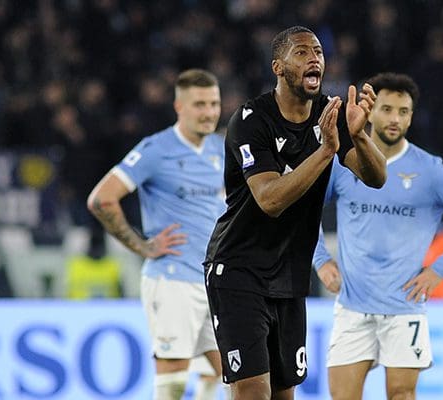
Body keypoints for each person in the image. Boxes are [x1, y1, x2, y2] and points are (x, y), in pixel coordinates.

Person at [203, 26, 387, 400]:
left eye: (318, 51)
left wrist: (360, 135)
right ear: (278, 66)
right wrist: (325, 151)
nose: (314, 58)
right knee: (253, 390)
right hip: (238, 268)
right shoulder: (251, 119)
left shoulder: (330, 114)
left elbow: (376, 177)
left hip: (288, 274)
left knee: (284, 394)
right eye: (301, 52)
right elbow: (269, 200)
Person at [313, 72, 443, 400]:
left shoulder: (431, 170)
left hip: (404, 309)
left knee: (401, 395)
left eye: (403, 111)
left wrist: (437, 271)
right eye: (386, 109)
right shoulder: (343, 164)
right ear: (370, 112)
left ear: (411, 117)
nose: (395, 119)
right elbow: (305, 212)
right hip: (352, 306)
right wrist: (321, 259)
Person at [87, 69, 227, 400]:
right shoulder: (155, 149)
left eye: (214, 104)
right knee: (174, 379)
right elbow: (101, 199)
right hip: (173, 279)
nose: (209, 112)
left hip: (217, 281)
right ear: (179, 107)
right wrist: (142, 246)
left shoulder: (221, 149)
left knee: (232, 373)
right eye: (200, 104)